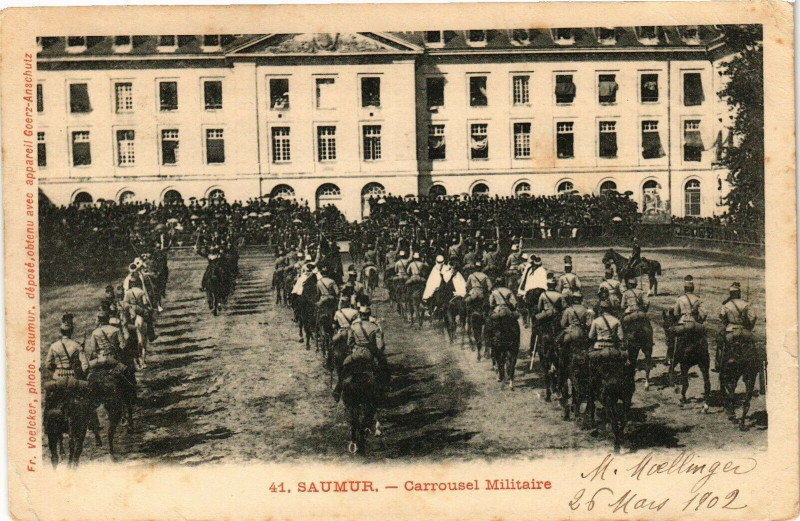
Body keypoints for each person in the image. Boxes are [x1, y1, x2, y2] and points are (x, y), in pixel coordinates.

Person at [333, 305, 389, 403]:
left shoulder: (354, 326)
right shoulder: (375, 327)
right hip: (369, 354)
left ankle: (339, 389)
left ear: (360, 314)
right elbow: (380, 346)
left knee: (345, 366)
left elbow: (349, 343)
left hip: (356, 353)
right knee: (382, 369)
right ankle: (382, 391)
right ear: (368, 315)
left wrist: (354, 348)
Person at [716, 282, 758, 373]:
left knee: (721, 343)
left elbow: (722, 318)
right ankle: (754, 365)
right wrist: (749, 327)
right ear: (739, 293)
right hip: (744, 331)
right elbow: (753, 317)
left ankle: (719, 365)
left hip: (731, 331)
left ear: (731, 294)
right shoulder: (746, 304)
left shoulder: (726, 305)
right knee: (752, 345)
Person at [123, 276, 152, 368]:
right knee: (144, 338)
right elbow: (145, 303)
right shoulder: (141, 292)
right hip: (140, 313)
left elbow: (125, 305)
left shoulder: (128, 292)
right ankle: (151, 334)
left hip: (131, 316)